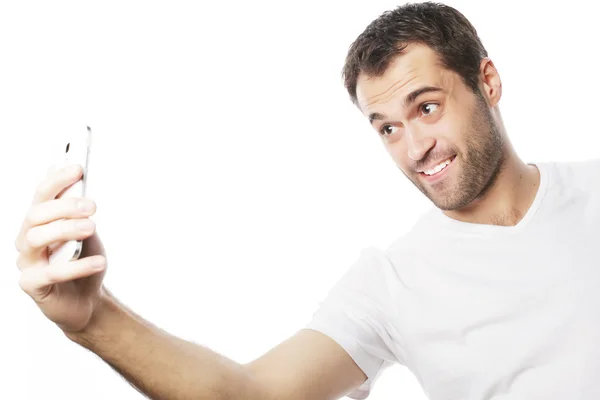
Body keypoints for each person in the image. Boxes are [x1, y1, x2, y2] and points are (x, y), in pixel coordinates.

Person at [14, 2, 600, 399]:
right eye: (387, 128)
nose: (416, 147)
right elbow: (252, 394)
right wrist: (93, 323)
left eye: (426, 107)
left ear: (488, 83)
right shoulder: (391, 285)